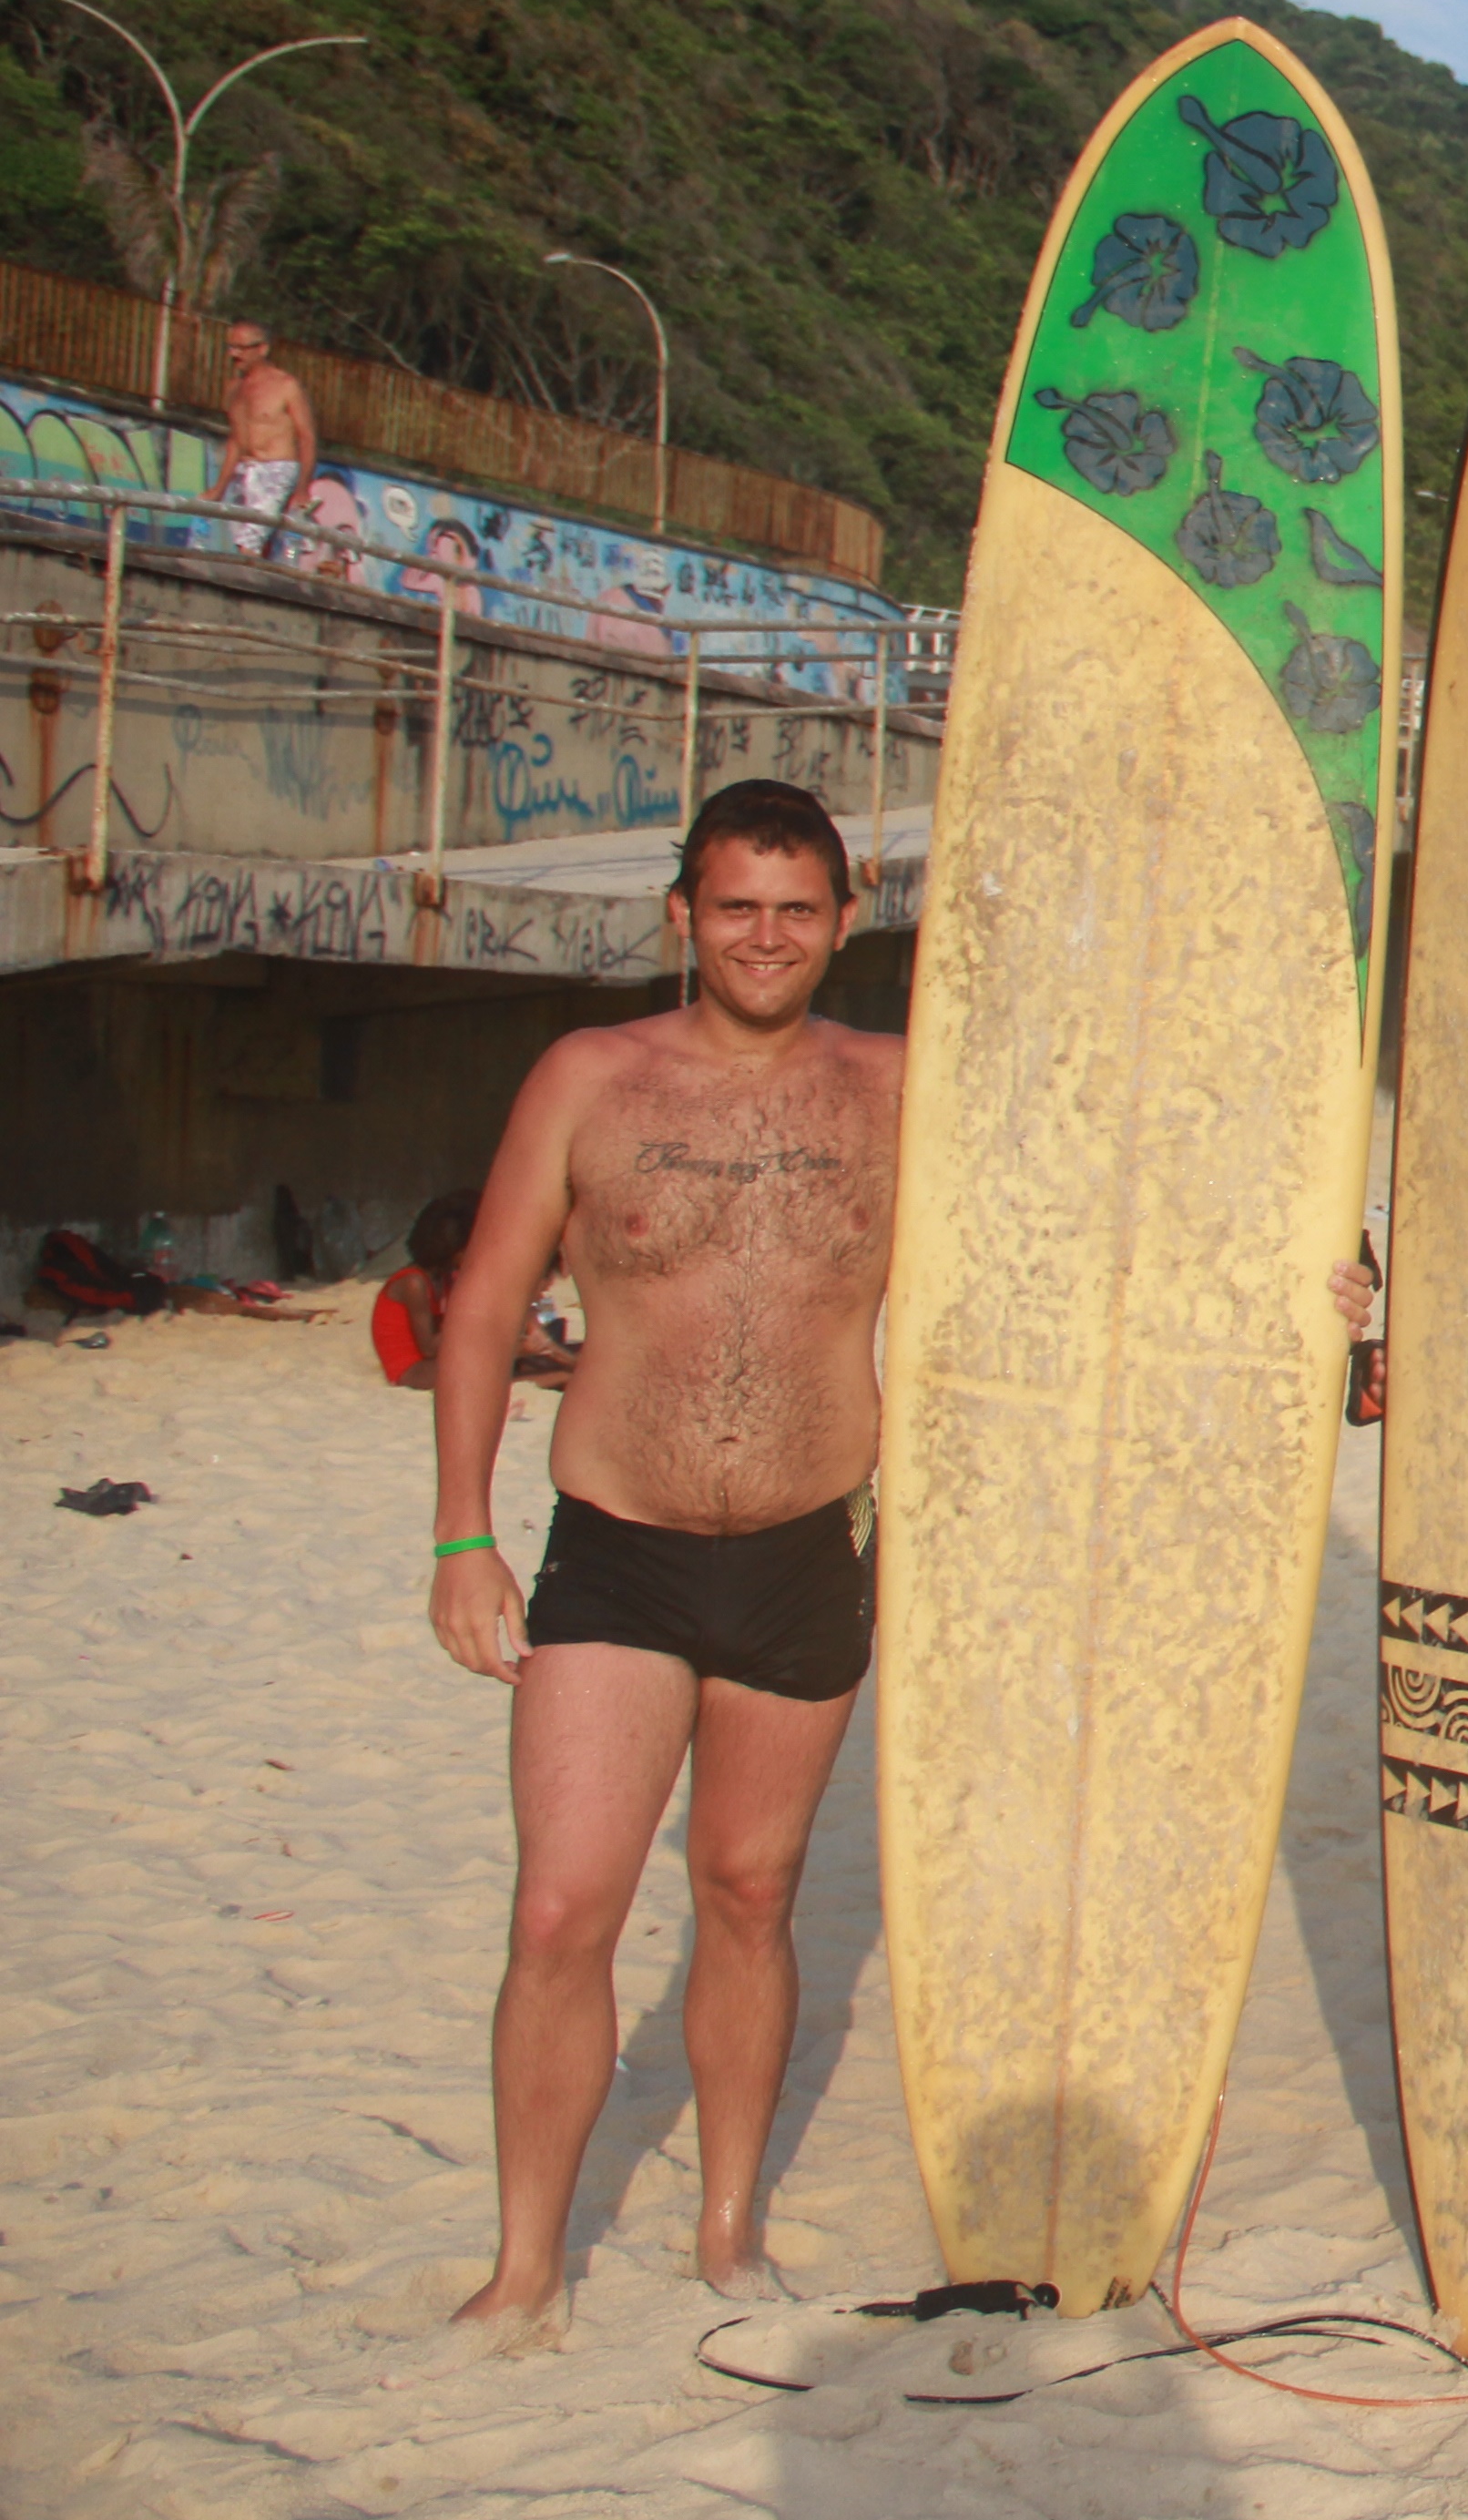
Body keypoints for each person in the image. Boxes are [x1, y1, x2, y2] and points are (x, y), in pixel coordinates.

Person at [421, 775, 1365, 2333]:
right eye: (736, 907)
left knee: (748, 1889)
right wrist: (463, 1534)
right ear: (683, 913)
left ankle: (728, 2232)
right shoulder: (590, 1077)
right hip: (619, 1552)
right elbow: (479, 1309)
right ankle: (525, 2269)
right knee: (559, 1913)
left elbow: (1099, 1213)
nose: (765, 936)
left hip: (810, 1551)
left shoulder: (902, 1086)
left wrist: (1312, 1274)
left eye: (797, 910)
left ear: (845, 920)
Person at [377, 1188, 574, 1392]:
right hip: (415, 1370)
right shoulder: (413, 1283)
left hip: (441, 1361)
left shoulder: (444, 1277)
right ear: (454, 1248)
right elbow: (429, 1348)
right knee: (503, 1361)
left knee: (526, 1359)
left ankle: (565, 1370)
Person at [214, 323, 315, 561]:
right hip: (245, 470)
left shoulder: (286, 385)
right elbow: (236, 441)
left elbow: (307, 437)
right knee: (247, 540)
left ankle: (243, 580)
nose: (234, 354)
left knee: (249, 541)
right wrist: (219, 487)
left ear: (262, 349)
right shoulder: (234, 389)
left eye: (242, 348)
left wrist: (302, 488)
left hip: (277, 470)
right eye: (230, 347)